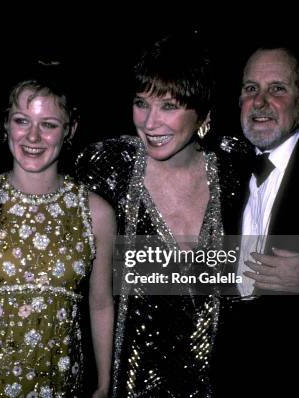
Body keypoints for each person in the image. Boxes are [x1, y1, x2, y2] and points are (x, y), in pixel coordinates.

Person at [76, 33, 249, 397]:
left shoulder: (234, 173)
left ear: (202, 113)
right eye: (141, 103)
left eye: (168, 106)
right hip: (123, 386)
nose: (150, 123)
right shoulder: (110, 168)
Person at [0, 64, 115, 397]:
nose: (33, 137)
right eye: (22, 121)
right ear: (6, 124)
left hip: (58, 381)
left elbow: (100, 303)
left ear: (70, 130)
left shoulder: (96, 212)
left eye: (49, 125)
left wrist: (104, 382)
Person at [214, 42, 299, 396]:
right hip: (232, 376)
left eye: (277, 88)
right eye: (251, 89)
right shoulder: (223, 170)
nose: (259, 102)